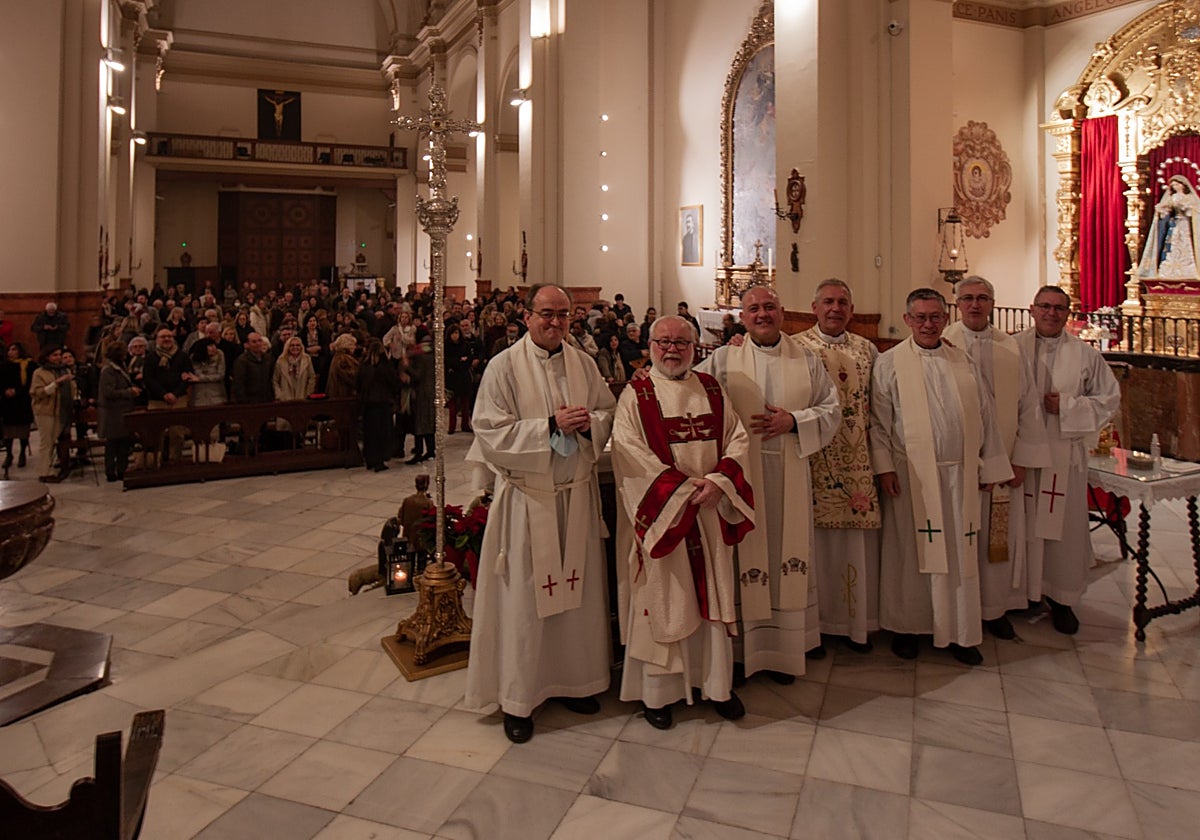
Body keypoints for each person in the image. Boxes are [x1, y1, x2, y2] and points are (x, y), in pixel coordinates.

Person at [464, 283, 616, 744]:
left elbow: (608, 411)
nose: (555, 323)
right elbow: (489, 430)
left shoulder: (583, 363)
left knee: (578, 596)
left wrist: (592, 423)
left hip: (575, 496)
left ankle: (576, 681)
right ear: (526, 317)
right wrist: (549, 426)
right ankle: (519, 697)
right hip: (529, 501)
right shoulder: (503, 366)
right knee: (525, 601)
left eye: (564, 315)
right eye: (546, 314)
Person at [612, 314, 754, 729]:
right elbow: (630, 451)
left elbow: (738, 439)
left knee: (710, 593)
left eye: (681, 342)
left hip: (707, 512)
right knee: (665, 598)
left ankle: (717, 686)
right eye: (663, 342)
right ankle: (659, 694)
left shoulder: (712, 388)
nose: (672, 349)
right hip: (663, 521)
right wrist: (679, 495)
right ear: (649, 346)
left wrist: (718, 483)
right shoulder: (635, 394)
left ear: (695, 347)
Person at [696, 286, 840, 681]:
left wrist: (793, 421)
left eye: (770, 307)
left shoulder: (807, 359)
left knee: (786, 556)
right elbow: (695, 402)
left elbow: (831, 409)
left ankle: (784, 651)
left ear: (783, 312)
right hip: (741, 479)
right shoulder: (724, 360)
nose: (762, 314)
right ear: (741, 317)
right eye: (753, 308)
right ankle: (743, 653)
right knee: (746, 556)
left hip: (790, 472)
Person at [871, 288, 1012, 666]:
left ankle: (960, 632)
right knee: (909, 553)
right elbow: (879, 423)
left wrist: (991, 466)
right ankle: (906, 627)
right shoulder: (889, 363)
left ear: (945, 317)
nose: (929, 324)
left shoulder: (961, 361)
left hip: (960, 475)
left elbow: (986, 418)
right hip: (911, 476)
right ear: (907, 320)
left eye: (935, 316)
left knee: (959, 556)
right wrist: (883, 466)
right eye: (920, 317)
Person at [944, 277, 1049, 638]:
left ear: (993, 302)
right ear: (956, 303)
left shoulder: (1010, 348)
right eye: (968, 298)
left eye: (983, 299)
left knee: (997, 538)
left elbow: (1029, 406)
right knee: (962, 537)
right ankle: (962, 608)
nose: (975, 305)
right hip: (958, 466)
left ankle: (994, 608)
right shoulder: (943, 343)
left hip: (1003, 464)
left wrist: (1019, 460)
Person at [1017, 285, 1121, 634]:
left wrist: (1066, 406)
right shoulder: (1011, 347)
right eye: (1045, 306)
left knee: (1064, 532)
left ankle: (1061, 599)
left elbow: (1108, 400)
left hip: (1064, 454)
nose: (1051, 313)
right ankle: (1025, 595)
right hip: (1022, 457)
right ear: (1032, 309)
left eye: (1059, 308)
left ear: (1068, 313)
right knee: (1024, 528)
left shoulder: (1085, 354)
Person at [793, 279, 882, 651]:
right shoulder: (795, 348)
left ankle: (854, 625)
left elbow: (879, 410)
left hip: (859, 465)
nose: (835, 308)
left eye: (842, 302)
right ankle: (814, 629)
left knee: (854, 549)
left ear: (851, 307)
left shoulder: (868, 350)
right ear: (814, 307)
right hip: (813, 464)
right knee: (814, 550)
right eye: (828, 301)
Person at [142, 328, 198, 463]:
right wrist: (163, 394)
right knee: (156, 432)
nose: (166, 339)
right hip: (157, 400)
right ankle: (156, 460)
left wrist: (175, 393)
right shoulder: (151, 358)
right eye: (163, 337)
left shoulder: (182, 356)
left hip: (179, 398)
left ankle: (175, 460)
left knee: (177, 432)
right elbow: (148, 379)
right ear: (157, 340)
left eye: (169, 336)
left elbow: (188, 376)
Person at [1138, 173, 1200, 281]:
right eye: (1173, 185)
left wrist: (1188, 209)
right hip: (1176, 224)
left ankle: (1189, 269)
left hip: (1186, 225)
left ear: (1183, 185)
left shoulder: (1190, 198)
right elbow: (1165, 209)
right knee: (1173, 243)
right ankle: (1170, 270)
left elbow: (1195, 211)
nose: (1175, 187)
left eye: (1177, 184)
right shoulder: (1173, 197)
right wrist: (1160, 210)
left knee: (1187, 243)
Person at [30, 346, 77, 481]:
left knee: (55, 439)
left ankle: (53, 467)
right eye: (54, 355)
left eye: (59, 355)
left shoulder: (65, 370)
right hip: (46, 410)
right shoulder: (39, 373)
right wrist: (55, 383)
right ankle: (44, 472)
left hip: (62, 410)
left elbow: (71, 388)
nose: (58, 358)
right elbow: (37, 393)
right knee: (47, 442)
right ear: (47, 357)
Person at [97, 342, 140, 482]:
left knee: (124, 442)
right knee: (112, 443)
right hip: (113, 412)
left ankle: (122, 470)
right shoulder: (108, 370)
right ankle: (110, 471)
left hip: (123, 410)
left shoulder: (121, 367)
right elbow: (108, 392)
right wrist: (129, 392)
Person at [356, 338, 398, 472]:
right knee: (381, 433)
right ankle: (379, 460)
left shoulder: (364, 366)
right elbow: (394, 382)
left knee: (369, 433)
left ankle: (370, 459)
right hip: (382, 403)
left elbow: (358, 383)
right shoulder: (385, 366)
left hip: (368, 404)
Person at [0, 342, 35, 472]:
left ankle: (22, 453)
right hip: (7, 402)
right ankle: (9, 454)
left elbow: (31, 383)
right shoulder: (4, 365)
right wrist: (5, 391)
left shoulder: (29, 365)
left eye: (14, 349)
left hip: (23, 401)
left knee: (22, 430)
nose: (11, 352)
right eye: (9, 349)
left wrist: (18, 391)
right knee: (8, 431)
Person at [231, 333, 275, 404]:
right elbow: (239, 383)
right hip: (250, 401)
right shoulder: (242, 361)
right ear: (247, 345)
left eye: (259, 341)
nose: (258, 343)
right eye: (254, 342)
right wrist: (243, 401)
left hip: (266, 399)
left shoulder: (268, 358)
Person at [273, 335, 317, 401]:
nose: (295, 347)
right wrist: (280, 395)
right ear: (288, 347)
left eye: (297, 345)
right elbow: (275, 380)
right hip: (286, 398)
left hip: (302, 396)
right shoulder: (281, 361)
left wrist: (308, 393)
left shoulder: (307, 359)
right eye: (292, 345)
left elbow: (312, 377)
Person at [189, 339, 227, 406]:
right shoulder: (193, 358)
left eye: (214, 345)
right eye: (210, 345)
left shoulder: (219, 354)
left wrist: (200, 378)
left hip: (216, 396)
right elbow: (191, 375)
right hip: (199, 397)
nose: (214, 347)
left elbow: (220, 375)